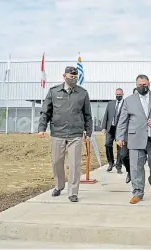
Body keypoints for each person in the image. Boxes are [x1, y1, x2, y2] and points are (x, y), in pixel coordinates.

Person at [38, 66, 92, 203]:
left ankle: (73, 192)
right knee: (57, 162)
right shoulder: (53, 92)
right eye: (70, 77)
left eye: (75, 77)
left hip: (75, 134)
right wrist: (42, 128)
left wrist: (88, 132)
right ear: (64, 76)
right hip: (57, 133)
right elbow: (46, 112)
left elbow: (87, 115)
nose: (73, 79)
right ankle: (59, 185)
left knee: (74, 164)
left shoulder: (82, 93)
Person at [116, 74, 151, 204]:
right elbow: (122, 120)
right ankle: (138, 192)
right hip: (136, 138)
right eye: (139, 85)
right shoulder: (128, 100)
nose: (142, 87)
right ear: (136, 85)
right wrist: (120, 136)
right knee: (135, 167)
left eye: (144, 85)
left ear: (149, 84)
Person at [102, 88, 125, 173]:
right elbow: (106, 116)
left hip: (120, 129)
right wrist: (104, 127)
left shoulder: (125, 104)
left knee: (120, 147)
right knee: (107, 144)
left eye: (120, 94)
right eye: (117, 94)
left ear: (123, 94)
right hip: (110, 128)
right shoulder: (110, 103)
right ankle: (111, 163)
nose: (118, 96)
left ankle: (119, 166)